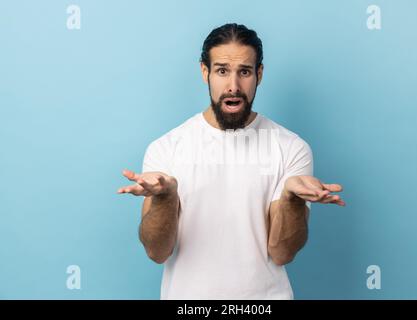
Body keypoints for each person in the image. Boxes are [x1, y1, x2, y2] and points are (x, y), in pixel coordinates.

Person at [117, 23, 345, 300]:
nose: (233, 86)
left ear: (259, 74)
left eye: (245, 72)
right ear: (205, 72)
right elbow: (157, 252)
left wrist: (290, 198)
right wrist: (167, 197)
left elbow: (282, 253)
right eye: (222, 70)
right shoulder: (166, 148)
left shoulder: (291, 147)